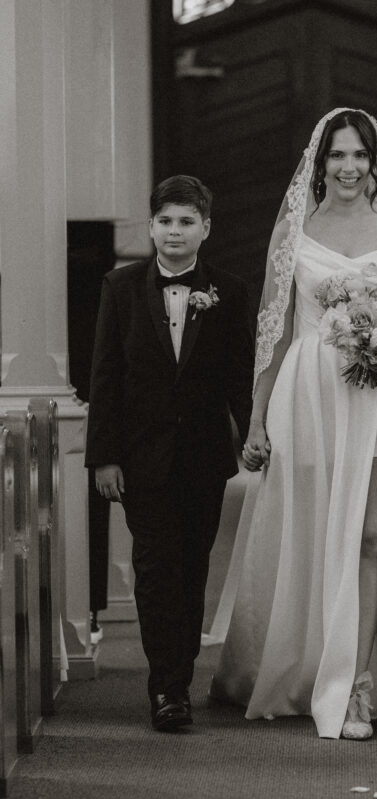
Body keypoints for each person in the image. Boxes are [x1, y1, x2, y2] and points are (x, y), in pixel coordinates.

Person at [209, 108, 377, 740]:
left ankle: (358, 685)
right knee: (325, 535)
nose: (349, 168)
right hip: (312, 392)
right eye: (336, 157)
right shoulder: (294, 231)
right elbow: (272, 332)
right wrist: (258, 418)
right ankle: (324, 665)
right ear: (318, 164)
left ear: (376, 161)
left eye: (359, 156)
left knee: (375, 535)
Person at [85, 175, 253, 731]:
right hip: (140, 457)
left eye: (186, 222)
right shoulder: (121, 287)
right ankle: (168, 689)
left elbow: (239, 377)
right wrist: (103, 457)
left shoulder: (228, 291)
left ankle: (181, 670)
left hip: (204, 456)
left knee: (192, 567)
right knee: (155, 568)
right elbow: (105, 375)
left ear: (206, 229)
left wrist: (255, 433)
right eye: (165, 222)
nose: (174, 232)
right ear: (151, 226)